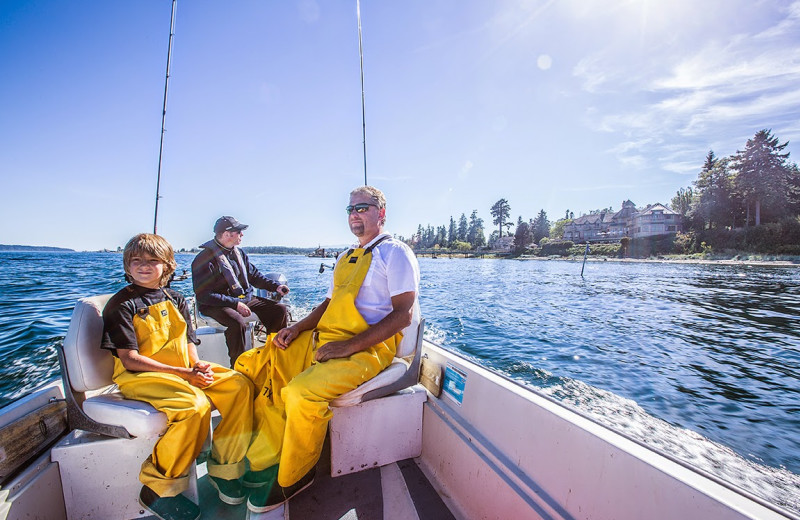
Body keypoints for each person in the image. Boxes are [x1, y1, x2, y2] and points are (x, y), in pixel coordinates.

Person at [237, 186, 420, 514]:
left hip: (369, 350)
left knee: (301, 392)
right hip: (328, 339)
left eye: (363, 208)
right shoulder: (344, 257)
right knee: (261, 360)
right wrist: (296, 328)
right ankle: (268, 453)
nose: (354, 214)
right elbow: (328, 304)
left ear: (381, 213)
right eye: (350, 209)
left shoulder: (396, 253)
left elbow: (403, 314)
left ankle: (298, 472)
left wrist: (348, 346)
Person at [101, 233, 255, 520]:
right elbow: (129, 359)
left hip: (183, 370)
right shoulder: (122, 305)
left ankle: (225, 469)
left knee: (239, 385)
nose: (143, 266)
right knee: (194, 406)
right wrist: (185, 374)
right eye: (136, 261)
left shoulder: (177, 298)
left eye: (152, 260)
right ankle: (158, 488)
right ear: (127, 266)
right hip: (141, 377)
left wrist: (196, 367)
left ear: (167, 265)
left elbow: (187, 343)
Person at [192, 216, 290, 367]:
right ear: (226, 234)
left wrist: (275, 286)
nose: (242, 235)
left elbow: (254, 276)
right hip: (215, 304)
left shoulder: (239, 254)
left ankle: (274, 356)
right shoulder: (203, 259)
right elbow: (204, 295)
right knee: (236, 322)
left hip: (241, 299)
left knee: (279, 310)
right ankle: (238, 366)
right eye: (239, 232)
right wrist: (235, 303)